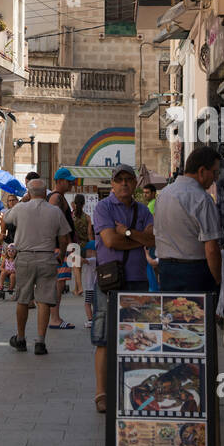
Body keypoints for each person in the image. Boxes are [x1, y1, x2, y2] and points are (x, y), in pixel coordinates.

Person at [91, 165, 155, 409]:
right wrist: (136, 239)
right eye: (120, 180)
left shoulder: (143, 210)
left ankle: (132, 390)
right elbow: (109, 240)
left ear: (135, 183)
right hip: (110, 281)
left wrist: (126, 232)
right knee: (104, 339)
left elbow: (152, 239)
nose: (125, 184)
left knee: (136, 337)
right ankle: (102, 394)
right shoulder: (103, 207)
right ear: (113, 183)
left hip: (138, 279)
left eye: (129, 179)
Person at [8, 178, 71, 355]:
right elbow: (64, 238)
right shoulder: (55, 211)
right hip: (47, 257)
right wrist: (61, 255)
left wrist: (23, 200)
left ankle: (20, 338)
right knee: (44, 300)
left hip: (25, 257)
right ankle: (40, 341)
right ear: (45, 193)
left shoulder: (20, 208)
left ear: (29, 193)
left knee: (22, 298)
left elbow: (7, 218)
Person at [153, 147, 222, 294]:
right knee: (197, 315)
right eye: (215, 172)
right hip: (195, 272)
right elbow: (211, 248)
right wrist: (217, 280)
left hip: (166, 270)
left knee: (171, 314)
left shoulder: (163, 195)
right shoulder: (202, 199)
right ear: (202, 171)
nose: (216, 178)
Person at [47, 166, 77, 330]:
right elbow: (53, 222)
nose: (71, 184)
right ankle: (55, 318)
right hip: (58, 249)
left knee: (60, 284)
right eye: (69, 181)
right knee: (58, 284)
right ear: (60, 181)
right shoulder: (56, 198)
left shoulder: (59, 197)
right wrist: (58, 246)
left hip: (60, 247)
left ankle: (55, 317)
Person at [72, 194, 92, 299]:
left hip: (74, 245)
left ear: (75, 203)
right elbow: (89, 234)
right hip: (85, 245)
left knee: (76, 266)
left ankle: (80, 288)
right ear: (84, 204)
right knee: (78, 268)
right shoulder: (87, 217)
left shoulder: (71, 217)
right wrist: (92, 245)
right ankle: (76, 289)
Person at [141, 183, 159, 292]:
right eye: (144, 193)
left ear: (153, 193)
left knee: (150, 265)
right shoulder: (156, 203)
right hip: (156, 240)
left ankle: (153, 290)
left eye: (147, 193)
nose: (145, 195)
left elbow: (151, 224)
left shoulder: (152, 205)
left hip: (152, 240)